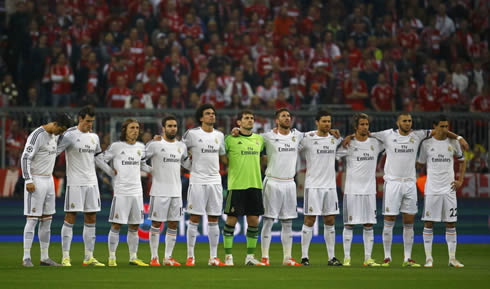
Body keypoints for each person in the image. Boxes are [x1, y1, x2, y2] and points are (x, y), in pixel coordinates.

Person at [95, 119, 149, 267]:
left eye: (137, 128)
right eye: (132, 127)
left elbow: (143, 164)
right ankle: (112, 257)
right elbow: (99, 159)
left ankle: (133, 257)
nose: (135, 130)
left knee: (134, 226)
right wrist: (111, 172)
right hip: (122, 191)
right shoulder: (116, 146)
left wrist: (156, 171)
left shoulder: (141, 147)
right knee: (116, 225)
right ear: (124, 130)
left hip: (137, 192)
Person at [21, 114, 73, 267]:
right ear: (55, 123)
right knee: (32, 219)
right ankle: (26, 257)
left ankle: (44, 257)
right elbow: (25, 157)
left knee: (47, 221)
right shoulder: (37, 135)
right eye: (61, 129)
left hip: (49, 180)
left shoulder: (55, 136)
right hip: (36, 180)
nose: (61, 133)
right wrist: (28, 179)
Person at [57, 106, 105, 267]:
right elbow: (54, 152)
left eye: (92, 122)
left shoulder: (94, 137)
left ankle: (89, 257)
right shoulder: (69, 135)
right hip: (75, 182)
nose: (90, 125)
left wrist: (112, 171)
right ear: (80, 119)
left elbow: (98, 156)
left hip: (92, 183)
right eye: (87, 121)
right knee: (70, 217)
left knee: (91, 218)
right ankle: (65, 257)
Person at [417, 115, 466, 268]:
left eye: (447, 126)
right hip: (432, 189)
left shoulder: (454, 142)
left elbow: (463, 161)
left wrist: (461, 180)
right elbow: (420, 164)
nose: (445, 129)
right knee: (428, 223)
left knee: (451, 223)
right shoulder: (426, 144)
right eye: (442, 126)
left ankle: (452, 259)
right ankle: (429, 259)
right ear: (435, 126)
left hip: (449, 188)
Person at [337, 113, 383, 267]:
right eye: (362, 124)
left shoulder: (376, 143)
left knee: (369, 224)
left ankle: (368, 258)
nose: (365, 127)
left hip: (369, 190)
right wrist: (348, 138)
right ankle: (347, 258)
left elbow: (390, 140)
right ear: (356, 127)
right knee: (349, 225)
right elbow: (335, 157)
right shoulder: (348, 144)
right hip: (352, 190)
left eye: (367, 124)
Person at [182, 104, 226, 266]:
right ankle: (190, 256)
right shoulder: (192, 134)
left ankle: (213, 257)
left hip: (215, 180)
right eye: (208, 114)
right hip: (198, 181)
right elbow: (178, 149)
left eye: (213, 113)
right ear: (201, 118)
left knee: (214, 218)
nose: (211, 116)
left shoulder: (219, 135)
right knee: (194, 218)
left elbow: (222, 155)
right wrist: (189, 166)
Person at [221, 110, 265, 266]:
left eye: (252, 118)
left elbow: (264, 158)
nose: (250, 120)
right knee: (231, 220)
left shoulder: (259, 139)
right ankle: (228, 257)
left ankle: (250, 257)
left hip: (255, 185)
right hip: (236, 185)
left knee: (253, 220)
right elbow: (221, 154)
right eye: (246, 118)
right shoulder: (230, 139)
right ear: (238, 122)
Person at [299, 110, 342, 266]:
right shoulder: (308, 138)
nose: (327, 124)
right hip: (313, 185)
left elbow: (350, 142)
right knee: (310, 219)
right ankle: (304, 257)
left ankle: (331, 257)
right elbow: (292, 146)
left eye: (329, 121)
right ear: (317, 122)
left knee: (330, 220)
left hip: (330, 186)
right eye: (324, 121)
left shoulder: (335, 139)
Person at [260, 108, 303, 266]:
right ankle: (265, 257)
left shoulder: (297, 136)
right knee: (268, 220)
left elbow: (316, 135)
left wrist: (332, 132)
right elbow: (249, 138)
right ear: (277, 120)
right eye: (283, 116)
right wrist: (237, 130)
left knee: (287, 222)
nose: (287, 118)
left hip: (289, 183)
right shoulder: (268, 136)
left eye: (289, 116)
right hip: (273, 182)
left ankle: (287, 258)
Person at [145, 115, 188, 266]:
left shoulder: (181, 146)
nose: (172, 128)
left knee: (173, 224)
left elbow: (187, 164)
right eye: (169, 126)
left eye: (174, 126)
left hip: (176, 192)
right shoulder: (155, 144)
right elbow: (139, 159)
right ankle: (154, 257)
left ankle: (168, 257)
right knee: (156, 224)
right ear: (163, 128)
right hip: (159, 191)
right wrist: (151, 170)